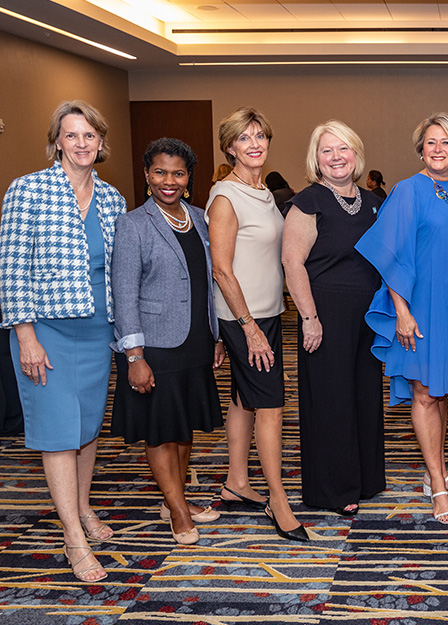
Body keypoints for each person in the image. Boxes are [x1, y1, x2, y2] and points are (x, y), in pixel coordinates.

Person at [0, 100, 126, 581]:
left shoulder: (112, 198)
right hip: (46, 331)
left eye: (89, 135)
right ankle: (73, 536)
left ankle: (84, 507)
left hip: (98, 331)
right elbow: (11, 268)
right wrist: (25, 335)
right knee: (58, 430)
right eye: (71, 135)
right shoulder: (28, 189)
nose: (81, 143)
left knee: (86, 427)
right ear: (57, 141)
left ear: (101, 141)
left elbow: (118, 270)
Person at [355, 112, 448, 524]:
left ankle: (441, 473)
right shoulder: (407, 191)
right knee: (426, 394)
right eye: (431, 142)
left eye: (446, 142)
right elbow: (390, 254)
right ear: (421, 149)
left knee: (441, 392)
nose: (438, 148)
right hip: (422, 308)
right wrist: (401, 312)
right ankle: (436, 485)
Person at [109, 138, 224, 545]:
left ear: (189, 177)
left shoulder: (200, 218)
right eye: (160, 172)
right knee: (160, 429)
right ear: (147, 174)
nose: (168, 181)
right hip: (154, 346)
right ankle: (176, 509)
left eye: (178, 173)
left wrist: (215, 336)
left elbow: (207, 283)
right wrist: (134, 355)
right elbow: (124, 293)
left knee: (183, 424)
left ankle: (176, 498)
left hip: (195, 339)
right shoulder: (133, 224)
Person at [208, 107, 308, 542]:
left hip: (266, 312)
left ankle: (236, 482)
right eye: (244, 138)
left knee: (242, 397)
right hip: (243, 316)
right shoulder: (226, 196)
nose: (254, 144)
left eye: (260, 136)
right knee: (271, 405)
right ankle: (277, 499)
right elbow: (221, 269)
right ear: (230, 147)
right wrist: (248, 328)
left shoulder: (262, 190)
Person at [282, 120, 385, 516]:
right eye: (327, 150)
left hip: (368, 316)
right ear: (316, 159)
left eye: (343, 148)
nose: (336, 157)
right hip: (324, 313)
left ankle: (366, 478)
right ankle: (334, 488)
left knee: (364, 395)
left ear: (356, 154)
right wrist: (309, 317)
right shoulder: (308, 202)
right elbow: (292, 262)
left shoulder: (374, 202)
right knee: (331, 400)